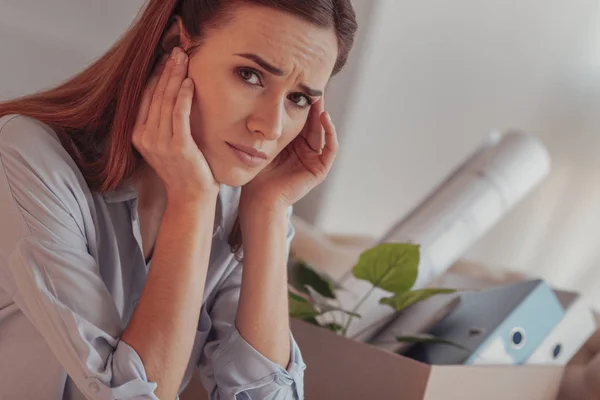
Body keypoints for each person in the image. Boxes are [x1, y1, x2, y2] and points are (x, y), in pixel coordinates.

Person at [0, 0, 357, 399]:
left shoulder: (240, 201)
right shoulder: (24, 157)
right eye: (250, 75)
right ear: (175, 46)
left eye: (299, 99)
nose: (270, 127)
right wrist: (191, 203)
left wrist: (268, 211)